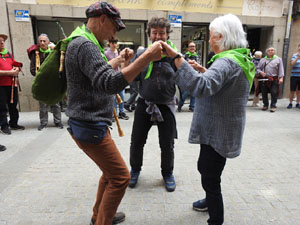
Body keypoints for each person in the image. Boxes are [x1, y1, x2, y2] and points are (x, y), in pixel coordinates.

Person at [64, 2, 163, 225]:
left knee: (109, 173)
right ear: (102, 20)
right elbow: (109, 84)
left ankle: (98, 215)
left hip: (88, 124)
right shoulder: (86, 45)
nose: (114, 34)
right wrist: (145, 57)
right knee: (120, 177)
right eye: (114, 28)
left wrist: (118, 61)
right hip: (90, 126)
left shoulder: (81, 40)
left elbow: (95, 75)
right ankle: (102, 221)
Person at [161, 14, 255, 225]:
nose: (210, 39)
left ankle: (216, 218)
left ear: (220, 37)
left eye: (211, 36)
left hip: (217, 129)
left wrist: (177, 59)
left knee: (210, 175)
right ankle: (209, 200)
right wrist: (204, 71)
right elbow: (222, 82)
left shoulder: (225, 62)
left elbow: (201, 87)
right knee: (207, 168)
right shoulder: (238, 57)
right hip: (223, 127)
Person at [128, 17, 178, 192]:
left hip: (166, 105)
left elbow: (185, 78)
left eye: (162, 33)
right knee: (137, 141)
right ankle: (134, 170)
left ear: (167, 34)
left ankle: (167, 173)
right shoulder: (142, 54)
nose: (158, 36)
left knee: (167, 144)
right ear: (149, 34)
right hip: (145, 104)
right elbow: (132, 77)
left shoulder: (174, 55)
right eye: (155, 33)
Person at [29, 34, 64, 130]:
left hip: (54, 82)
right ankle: (43, 122)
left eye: (44, 41)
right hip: (42, 83)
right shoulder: (35, 54)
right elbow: (32, 69)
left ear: (48, 42)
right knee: (43, 104)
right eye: (40, 41)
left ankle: (58, 121)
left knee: (56, 103)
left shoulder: (54, 52)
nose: (42, 43)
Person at [0, 33, 25, 135]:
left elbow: (14, 63)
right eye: (0, 41)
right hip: (1, 85)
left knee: (13, 104)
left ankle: (13, 123)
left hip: (11, 84)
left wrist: (17, 68)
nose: (2, 42)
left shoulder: (8, 54)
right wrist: (10, 72)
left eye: (3, 41)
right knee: (2, 107)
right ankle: (4, 126)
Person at [105, 39, 129, 120]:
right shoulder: (106, 53)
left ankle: (121, 112)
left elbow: (123, 64)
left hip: (119, 75)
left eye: (115, 42)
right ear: (109, 43)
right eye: (112, 43)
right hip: (111, 76)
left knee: (121, 95)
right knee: (113, 97)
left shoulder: (119, 52)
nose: (114, 44)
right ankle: (114, 114)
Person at [257, 47, 284, 112]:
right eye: (269, 50)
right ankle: (265, 105)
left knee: (274, 92)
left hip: (274, 78)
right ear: (267, 52)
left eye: (272, 50)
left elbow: (281, 69)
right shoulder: (263, 60)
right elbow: (257, 68)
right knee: (264, 93)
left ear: (274, 51)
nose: (270, 51)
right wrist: (260, 72)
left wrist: (281, 78)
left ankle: (273, 106)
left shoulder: (278, 59)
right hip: (264, 78)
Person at [177, 41, 199, 112]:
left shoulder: (197, 56)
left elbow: (199, 65)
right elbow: (181, 66)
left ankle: (192, 106)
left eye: (193, 46)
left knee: (194, 93)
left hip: (195, 77)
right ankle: (180, 105)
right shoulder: (184, 56)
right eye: (191, 46)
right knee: (185, 93)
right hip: (185, 78)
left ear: (195, 48)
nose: (192, 48)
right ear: (188, 48)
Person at [287, 44, 300, 109]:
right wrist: (298, 57)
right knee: (292, 90)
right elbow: (292, 64)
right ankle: (290, 103)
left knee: (299, 91)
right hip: (294, 76)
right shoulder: (294, 55)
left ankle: (298, 103)